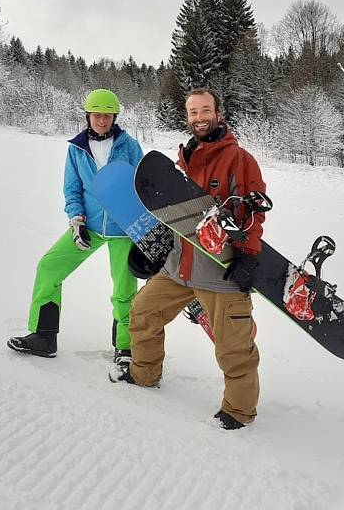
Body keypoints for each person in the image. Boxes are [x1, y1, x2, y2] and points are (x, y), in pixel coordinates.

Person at [112, 87, 266, 430]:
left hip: (218, 270)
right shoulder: (183, 160)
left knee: (233, 346)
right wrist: (152, 249)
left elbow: (254, 213)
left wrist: (248, 256)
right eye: (193, 112)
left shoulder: (239, 160)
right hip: (178, 265)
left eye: (205, 110)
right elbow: (173, 214)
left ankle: (239, 411)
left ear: (218, 113)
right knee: (142, 313)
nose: (199, 118)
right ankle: (144, 375)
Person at [8, 89, 144, 363]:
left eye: (107, 115)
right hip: (89, 226)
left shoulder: (129, 146)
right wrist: (76, 220)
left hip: (123, 229)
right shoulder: (77, 148)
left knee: (124, 290)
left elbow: (143, 185)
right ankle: (43, 336)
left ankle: (125, 348)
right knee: (49, 266)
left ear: (115, 117)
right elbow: (72, 189)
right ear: (88, 116)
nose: (102, 121)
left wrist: (142, 227)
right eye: (97, 115)